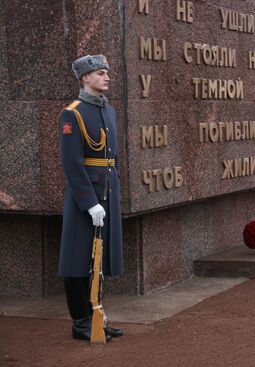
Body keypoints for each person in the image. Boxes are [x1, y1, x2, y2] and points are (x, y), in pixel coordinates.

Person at [58, 54, 123, 341]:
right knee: (77, 259)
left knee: (99, 257)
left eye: (107, 72)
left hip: (108, 190)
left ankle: (97, 313)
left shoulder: (109, 111)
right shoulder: (73, 113)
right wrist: (89, 202)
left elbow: (113, 156)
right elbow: (72, 163)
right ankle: (80, 321)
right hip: (85, 195)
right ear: (85, 78)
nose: (106, 77)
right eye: (99, 73)